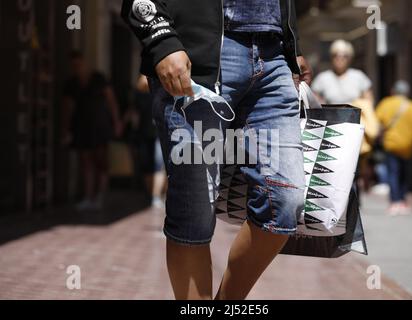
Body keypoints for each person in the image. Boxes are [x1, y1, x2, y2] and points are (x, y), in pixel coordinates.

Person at [122, 0, 312, 300]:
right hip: (197, 60)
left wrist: (293, 44)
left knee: (285, 199)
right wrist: (161, 39)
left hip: (273, 59)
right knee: (194, 211)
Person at [312, 39, 379, 192]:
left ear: (350, 57)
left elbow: (369, 101)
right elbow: (314, 102)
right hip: (331, 128)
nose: (340, 59)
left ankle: (354, 199)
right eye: (336, 55)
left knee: (354, 167)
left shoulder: (359, 76)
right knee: (334, 167)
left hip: (354, 127)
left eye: (344, 55)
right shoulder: (323, 78)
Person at [62, 51, 122, 211]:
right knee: (85, 161)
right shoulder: (71, 84)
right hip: (81, 126)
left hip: (100, 125)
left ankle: (100, 196)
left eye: (79, 63)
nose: (77, 67)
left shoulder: (98, 78)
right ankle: (88, 196)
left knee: (101, 160)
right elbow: (68, 108)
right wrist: (66, 129)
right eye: (74, 65)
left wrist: (116, 122)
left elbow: (111, 101)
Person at [375, 80, 412, 216]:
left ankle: (394, 202)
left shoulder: (386, 103)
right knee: (404, 174)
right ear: (407, 92)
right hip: (408, 147)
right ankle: (403, 201)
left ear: (393, 91)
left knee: (393, 173)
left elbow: (376, 122)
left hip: (392, 145)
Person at [123, 75, 167, 209]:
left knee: (158, 165)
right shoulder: (140, 96)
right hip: (144, 134)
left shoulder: (162, 92)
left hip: (159, 133)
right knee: (147, 165)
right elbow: (133, 114)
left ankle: (155, 196)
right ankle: (152, 195)